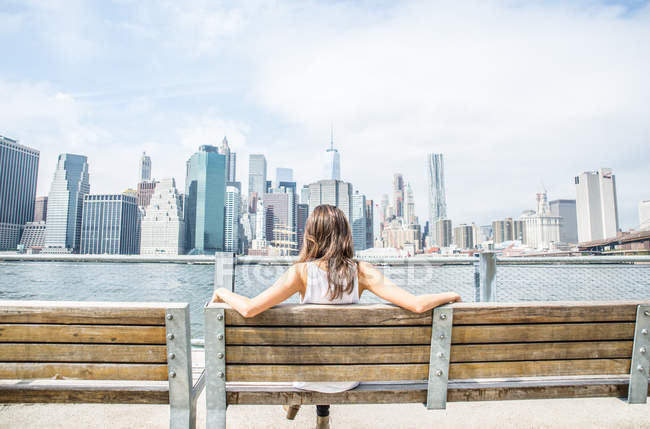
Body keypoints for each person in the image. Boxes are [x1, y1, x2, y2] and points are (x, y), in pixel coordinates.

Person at [211, 204, 461, 429]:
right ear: (345, 234)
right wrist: (451, 294)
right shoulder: (361, 271)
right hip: (345, 379)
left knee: (306, 349)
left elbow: (249, 309)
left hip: (305, 378)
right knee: (329, 351)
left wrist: (222, 292)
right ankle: (321, 412)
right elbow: (416, 305)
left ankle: (304, 406)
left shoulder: (300, 273)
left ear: (311, 235)